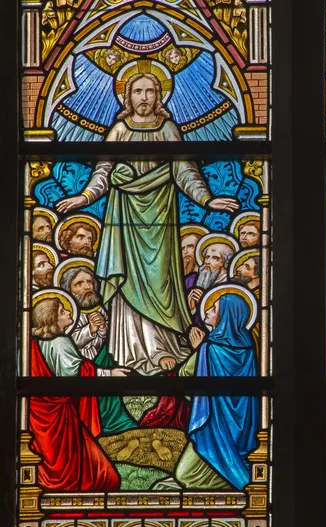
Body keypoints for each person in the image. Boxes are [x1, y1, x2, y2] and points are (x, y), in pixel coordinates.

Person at [56, 72, 239, 376]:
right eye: (138, 92)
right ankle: (131, 355)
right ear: (127, 97)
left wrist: (207, 200)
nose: (144, 98)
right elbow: (103, 171)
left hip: (161, 221)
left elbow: (185, 171)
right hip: (124, 219)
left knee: (162, 283)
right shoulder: (118, 130)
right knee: (125, 282)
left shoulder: (168, 129)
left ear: (160, 96)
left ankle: (164, 348)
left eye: (150, 91)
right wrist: (84, 198)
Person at [158, 290, 260, 490]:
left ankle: (231, 479)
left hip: (212, 425)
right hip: (245, 427)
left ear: (225, 318)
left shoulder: (210, 349)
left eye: (213, 309)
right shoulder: (248, 350)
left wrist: (198, 350)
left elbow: (185, 379)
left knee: (183, 475)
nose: (207, 311)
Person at [29, 294, 128, 491]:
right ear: (52, 319)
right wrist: (110, 373)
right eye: (62, 311)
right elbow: (77, 374)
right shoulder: (60, 343)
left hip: (38, 417)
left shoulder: (34, 344)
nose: (68, 312)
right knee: (98, 474)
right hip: (59, 418)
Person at [60, 264, 137, 435]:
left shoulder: (101, 309)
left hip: (99, 361)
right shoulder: (66, 315)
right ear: (68, 290)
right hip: (79, 370)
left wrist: (102, 330)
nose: (87, 287)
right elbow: (69, 344)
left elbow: (103, 341)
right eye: (79, 284)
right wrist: (90, 330)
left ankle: (115, 423)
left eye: (89, 282)